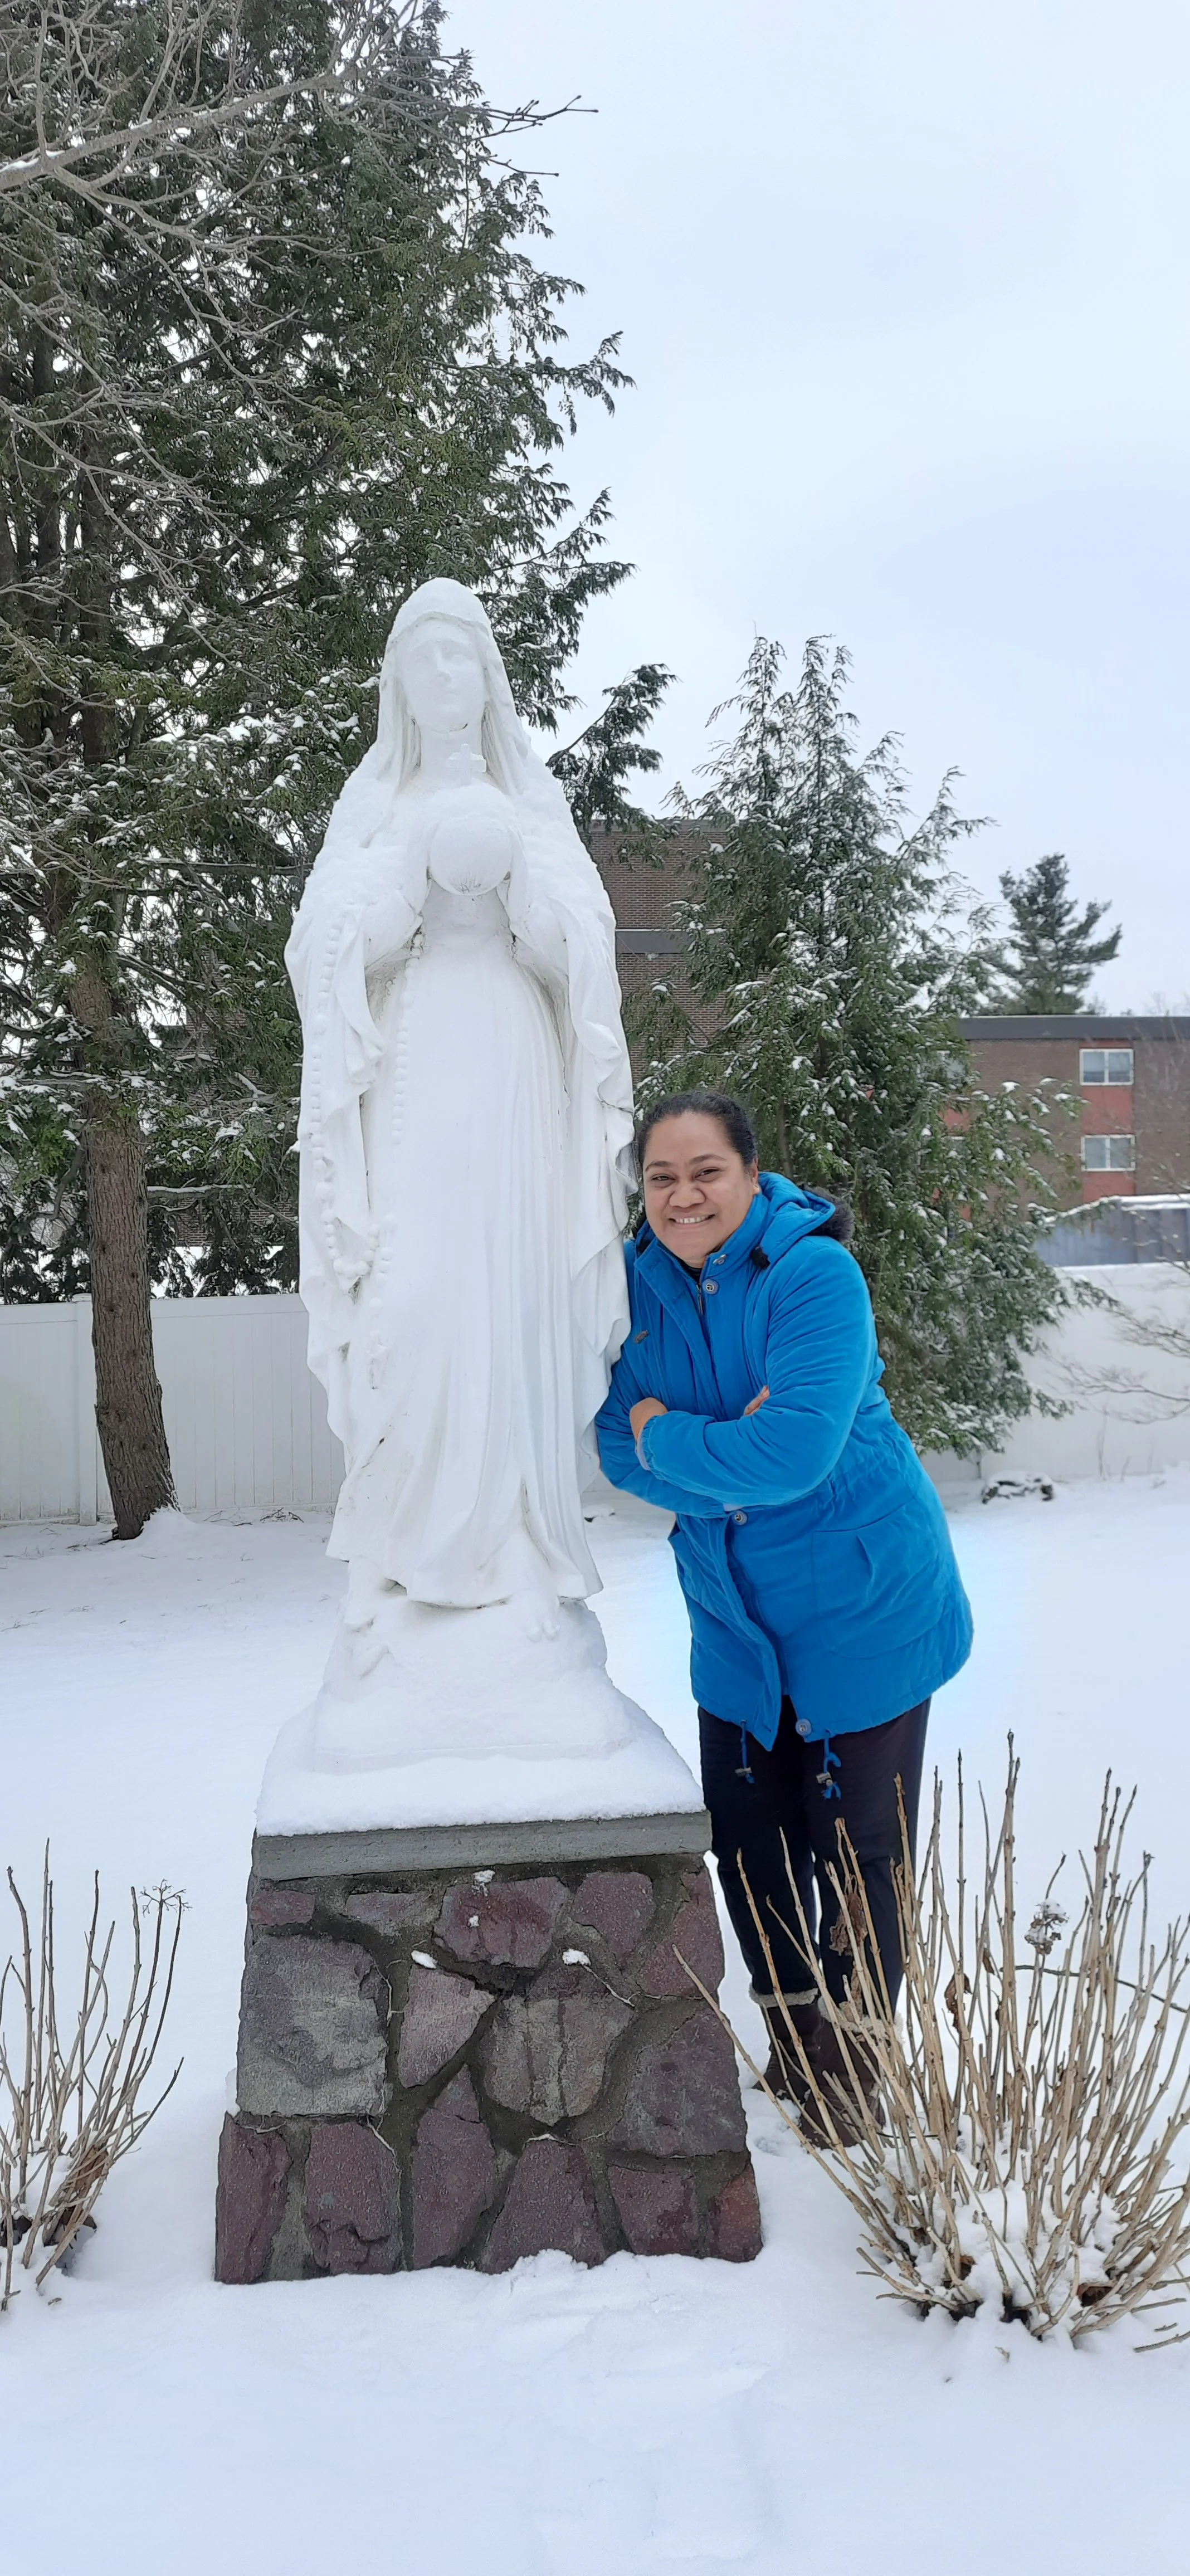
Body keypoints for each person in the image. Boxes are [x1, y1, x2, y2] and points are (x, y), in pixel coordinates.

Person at [595, 1089, 973, 2126]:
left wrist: (672, 1432)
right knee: (752, 1838)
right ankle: (796, 2038)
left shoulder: (814, 1276)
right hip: (735, 1625)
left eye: (706, 1171)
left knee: (857, 1850)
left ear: (752, 1176)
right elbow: (613, 1449)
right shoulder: (634, 1293)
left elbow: (795, 1454)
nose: (683, 1195)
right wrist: (716, 1453)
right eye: (661, 1177)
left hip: (864, 1612)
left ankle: (854, 2073)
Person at [285, 578, 634, 1623]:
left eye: (462, 656)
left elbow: (585, 953)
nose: (445, 675)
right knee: (422, 1289)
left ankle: (515, 1535)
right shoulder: (374, 803)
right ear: (398, 680)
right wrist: (407, 879)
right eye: (424, 657)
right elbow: (322, 949)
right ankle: (412, 1539)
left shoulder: (534, 802)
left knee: (511, 1285)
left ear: (490, 678)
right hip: (413, 1060)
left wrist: (515, 880)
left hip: (514, 1061)